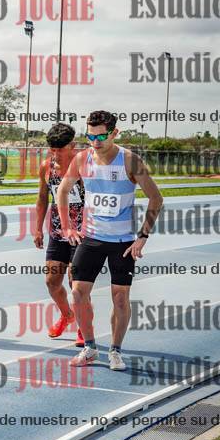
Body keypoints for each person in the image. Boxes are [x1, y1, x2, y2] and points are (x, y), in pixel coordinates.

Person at [57, 110, 163, 370]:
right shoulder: (82, 159)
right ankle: (90, 348)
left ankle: (115, 351)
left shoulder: (130, 161)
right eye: (90, 136)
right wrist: (68, 227)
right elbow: (62, 190)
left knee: (120, 298)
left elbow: (156, 198)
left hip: (122, 242)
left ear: (115, 133)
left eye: (101, 136)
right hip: (91, 237)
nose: (95, 141)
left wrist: (143, 236)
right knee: (78, 293)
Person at [32, 122, 87, 346]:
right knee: (52, 281)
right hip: (57, 232)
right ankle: (67, 315)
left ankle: (84, 326)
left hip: (82, 233)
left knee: (76, 284)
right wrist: (37, 228)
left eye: (60, 150)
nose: (55, 154)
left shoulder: (84, 166)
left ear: (72, 145)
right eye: (52, 149)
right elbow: (42, 199)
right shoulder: (47, 167)